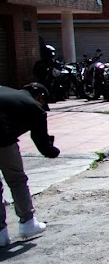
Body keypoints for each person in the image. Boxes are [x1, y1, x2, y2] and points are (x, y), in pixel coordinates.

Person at [0, 83, 60, 247]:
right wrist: (53, 151)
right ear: (40, 97)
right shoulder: (34, 107)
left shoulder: (9, 92)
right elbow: (42, 143)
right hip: (3, 138)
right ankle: (27, 223)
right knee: (16, 179)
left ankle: (1, 234)